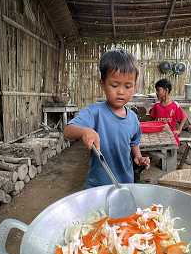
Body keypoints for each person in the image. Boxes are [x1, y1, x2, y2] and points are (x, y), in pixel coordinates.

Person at [64, 48, 150, 189]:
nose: (121, 91)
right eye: (114, 85)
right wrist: (85, 131)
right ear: (102, 84)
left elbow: (134, 142)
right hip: (98, 186)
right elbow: (68, 131)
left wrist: (138, 157)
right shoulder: (94, 112)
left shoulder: (133, 118)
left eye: (128, 86)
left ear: (134, 87)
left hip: (126, 184)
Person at [149, 78, 188, 146]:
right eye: (156, 91)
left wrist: (179, 130)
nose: (156, 93)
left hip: (171, 136)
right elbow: (151, 120)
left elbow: (184, 117)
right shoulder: (156, 106)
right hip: (158, 136)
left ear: (166, 90)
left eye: (158, 90)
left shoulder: (175, 105)